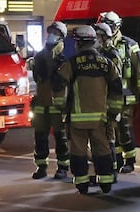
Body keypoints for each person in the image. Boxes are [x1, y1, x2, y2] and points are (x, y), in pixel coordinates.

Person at [56, 25, 122, 195]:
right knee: (102, 150)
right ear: (94, 42)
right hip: (101, 119)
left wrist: (61, 108)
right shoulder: (107, 64)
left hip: (77, 120)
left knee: (78, 153)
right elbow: (117, 90)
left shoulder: (71, 65)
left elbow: (59, 88)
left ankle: (82, 184)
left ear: (78, 44)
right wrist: (113, 114)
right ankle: (106, 183)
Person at [96, 11, 140, 174]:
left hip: (126, 96)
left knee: (124, 129)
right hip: (107, 96)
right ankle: (117, 158)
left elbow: (139, 69)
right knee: (111, 128)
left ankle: (130, 159)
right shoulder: (101, 45)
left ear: (116, 26)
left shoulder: (129, 45)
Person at [27, 21, 70, 180]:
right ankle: (41, 166)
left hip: (58, 105)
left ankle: (63, 167)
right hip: (41, 104)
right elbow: (36, 79)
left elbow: (67, 82)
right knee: (40, 137)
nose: (51, 35)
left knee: (61, 138)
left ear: (61, 37)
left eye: (56, 33)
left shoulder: (65, 57)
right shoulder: (39, 56)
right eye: (50, 32)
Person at [94, 22, 122, 178]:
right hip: (101, 101)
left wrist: (114, 109)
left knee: (109, 137)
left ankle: (111, 170)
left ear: (105, 37)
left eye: (98, 36)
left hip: (108, 101)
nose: (96, 39)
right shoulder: (100, 53)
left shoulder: (112, 55)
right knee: (105, 137)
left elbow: (115, 82)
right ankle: (110, 169)